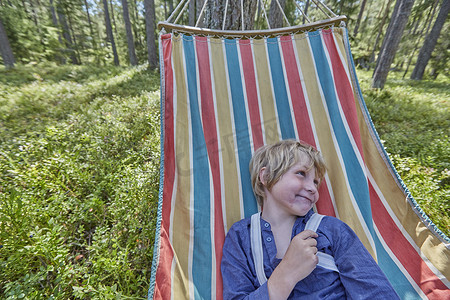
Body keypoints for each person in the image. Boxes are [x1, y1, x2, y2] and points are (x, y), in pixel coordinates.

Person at [221, 139, 399, 299]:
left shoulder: (332, 230)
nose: (313, 188)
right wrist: (287, 272)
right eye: (301, 173)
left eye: (315, 182)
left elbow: (374, 292)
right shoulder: (240, 237)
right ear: (266, 176)